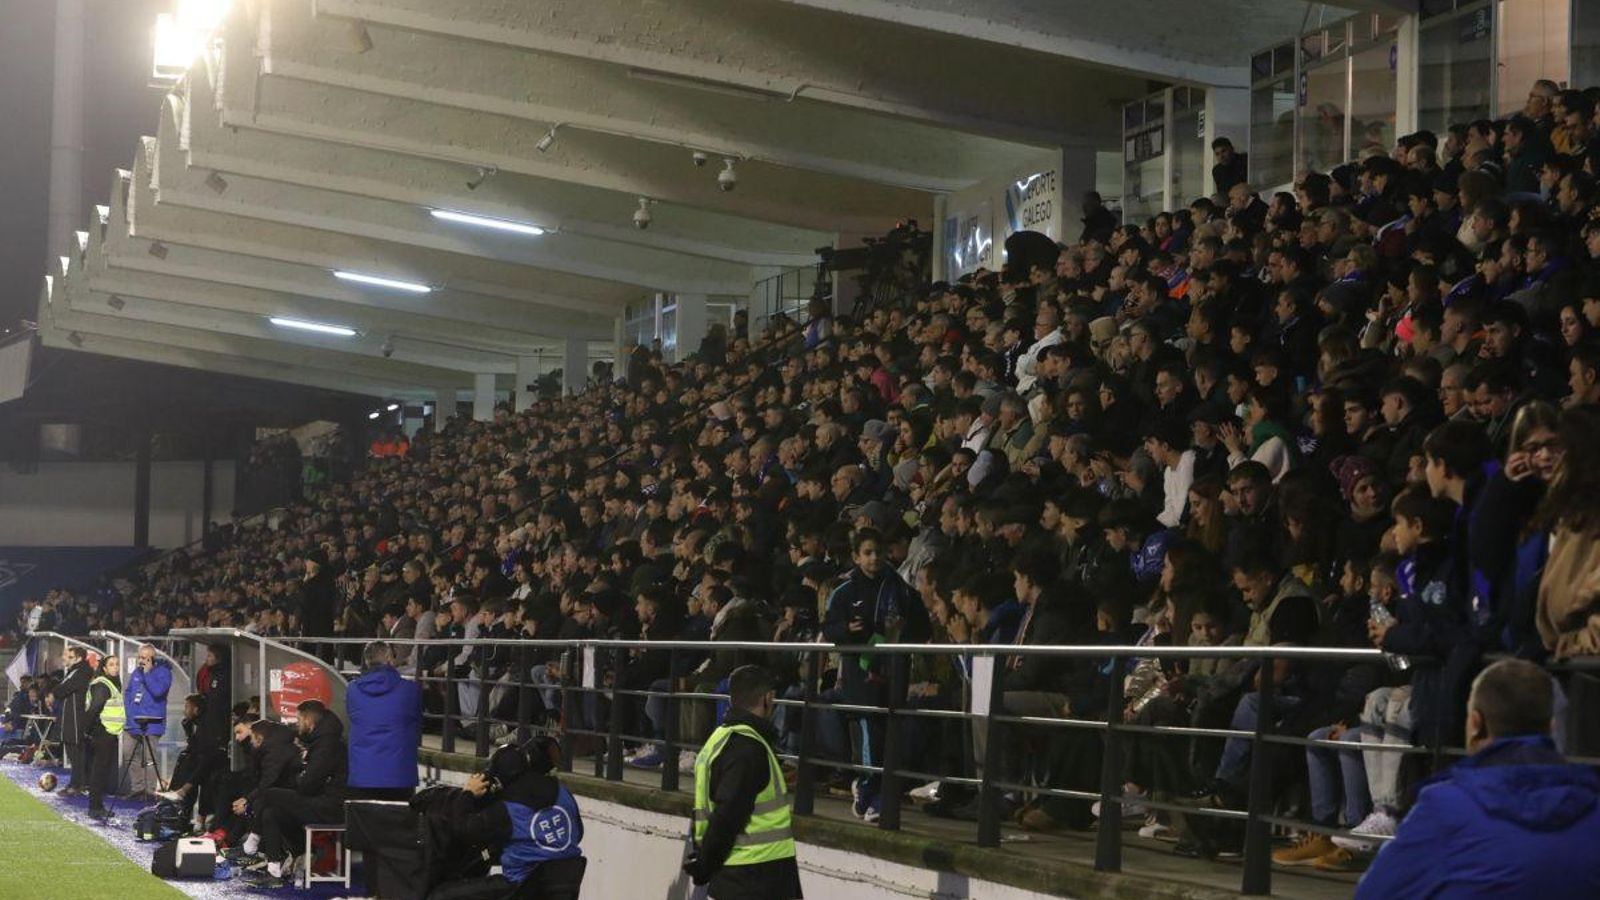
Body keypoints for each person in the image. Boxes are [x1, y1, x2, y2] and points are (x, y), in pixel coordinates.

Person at [1356, 659, 1600, 898]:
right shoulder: (1592, 805)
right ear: (1552, 727)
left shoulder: (1444, 807)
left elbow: (1376, 892)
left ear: (1475, 723)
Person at [684, 665, 802, 900]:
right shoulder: (749, 749)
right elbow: (728, 814)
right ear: (768, 699)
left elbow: (711, 808)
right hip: (759, 880)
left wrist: (705, 861)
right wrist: (706, 864)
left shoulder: (717, 741)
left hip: (732, 879)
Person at [425, 737, 587, 900]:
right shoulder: (563, 792)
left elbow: (463, 829)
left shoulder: (508, 808)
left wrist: (467, 794)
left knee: (440, 896)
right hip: (565, 885)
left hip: (521, 887)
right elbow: (578, 834)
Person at [243, 700, 349, 887]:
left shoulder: (327, 744)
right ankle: (274, 872)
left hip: (329, 806)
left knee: (269, 794)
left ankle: (255, 835)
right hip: (318, 800)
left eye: (299, 719)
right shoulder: (318, 741)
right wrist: (303, 775)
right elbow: (304, 778)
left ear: (309, 719)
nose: (297, 723)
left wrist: (302, 776)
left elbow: (307, 783)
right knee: (271, 812)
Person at [347, 640, 423, 800]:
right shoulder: (410, 689)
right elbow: (417, 720)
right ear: (389, 658)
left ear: (367, 661)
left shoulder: (352, 690)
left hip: (362, 775)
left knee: (365, 824)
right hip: (399, 775)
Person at [123, 643, 173, 798]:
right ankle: (137, 787)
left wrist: (148, 673)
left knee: (149, 758)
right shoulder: (136, 672)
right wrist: (129, 709)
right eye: (140, 657)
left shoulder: (163, 672)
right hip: (133, 722)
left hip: (152, 723)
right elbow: (129, 691)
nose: (142, 661)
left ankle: (150, 790)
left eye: (145, 658)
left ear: (153, 658)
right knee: (128, 753)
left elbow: (158, 692)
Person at [83, 654, 124, 821]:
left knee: (100, 771)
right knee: (99, 772)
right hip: (103, 732)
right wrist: (86, 730)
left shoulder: (109, 683)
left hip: (107, 732)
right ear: (105, 668)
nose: (115, 667)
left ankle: (98, 805)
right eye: (112, 665)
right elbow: (95, 708)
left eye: (117, 664)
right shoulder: (103, 685)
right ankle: (95, 808)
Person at [55, 645, 92, 795]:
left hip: (76, 719)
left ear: (79, 658)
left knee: (76, 753)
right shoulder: (75, 671)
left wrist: (56, 691)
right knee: (74, 753)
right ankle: (76, 783)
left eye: (70, 657)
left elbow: (61, 690)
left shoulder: (81, 672)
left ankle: (78, 785)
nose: (66, 659)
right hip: (71, 718)